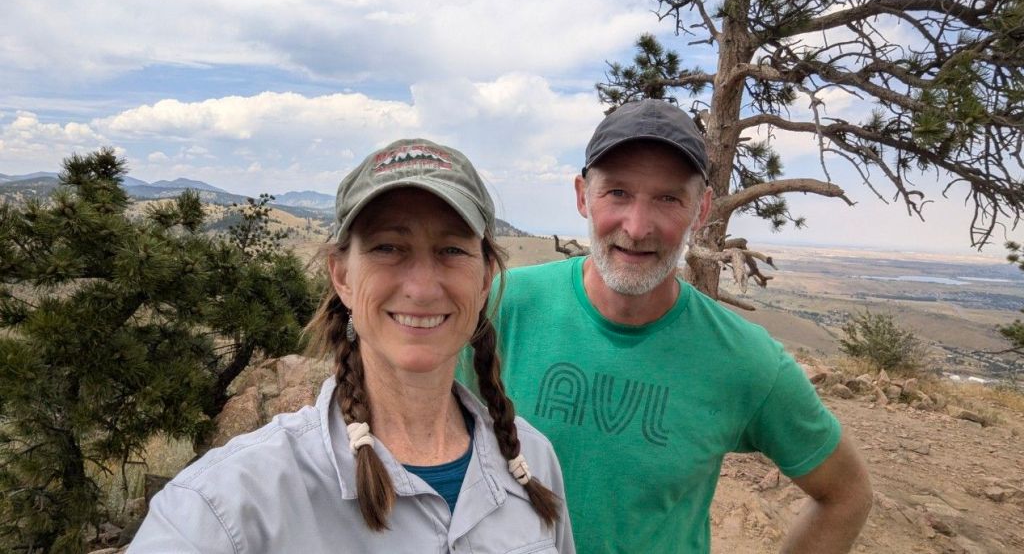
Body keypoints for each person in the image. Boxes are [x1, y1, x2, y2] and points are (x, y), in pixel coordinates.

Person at [459, 100, 872, 553]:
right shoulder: (498, 307)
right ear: (582, 196)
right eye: (617, 192)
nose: (637, 228)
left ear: (702, 209)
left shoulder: (743, 359)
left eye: (668, 199)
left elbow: (847, 495)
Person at [130, 139, 574, 553]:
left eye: (452, 250)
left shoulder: (532, 460)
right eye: (388, 247)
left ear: (485, 278)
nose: (421, 288)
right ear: (341, 276)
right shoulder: (228, 505)